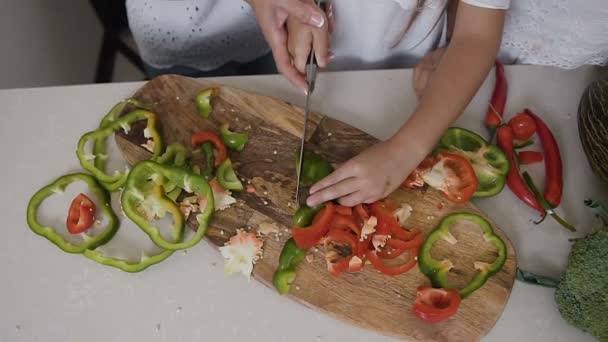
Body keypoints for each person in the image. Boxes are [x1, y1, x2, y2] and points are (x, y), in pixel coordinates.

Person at [126, 0, 608, 207]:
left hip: (374, 49)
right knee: (180, 106)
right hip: (198, 22)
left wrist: (404, 150)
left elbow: (478, 35)